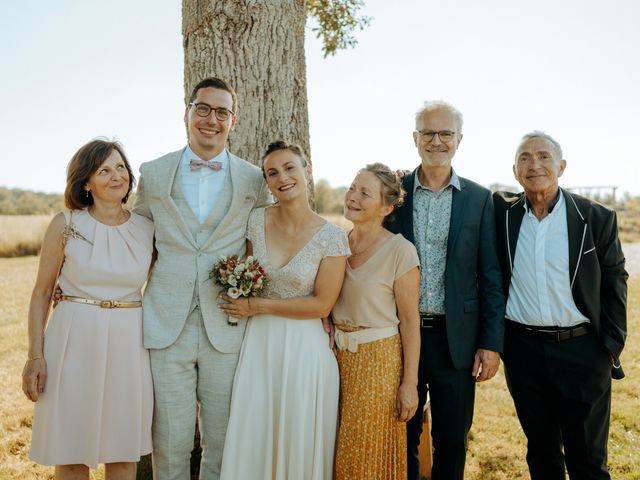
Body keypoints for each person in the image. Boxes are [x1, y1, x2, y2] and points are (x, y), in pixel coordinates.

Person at [133, 77, 271, 480]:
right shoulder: (153, 173)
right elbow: (133, 236)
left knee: (225, 437)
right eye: (203, 108)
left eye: (222, 112)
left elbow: (264, 239)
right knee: (170, 440)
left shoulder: (252, 179)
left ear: (234, 119)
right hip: (165, 322)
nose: (212, 119)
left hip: (227, 324)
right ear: (188, 112)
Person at [493, 131, 628, 480]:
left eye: (543, 156)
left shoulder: (595, 217)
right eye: (524, 157)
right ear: (514, 169)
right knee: (541, 454)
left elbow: (615, 279)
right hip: (523, 353)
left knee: (588, 461)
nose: (533, 164)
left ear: (561, 166)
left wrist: (611, 344)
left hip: (582, 351)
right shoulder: (501, 214)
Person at [217, 141, 350, 480]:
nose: (283, 177)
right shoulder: (256, 220)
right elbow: (248, 273)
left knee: (298, 434)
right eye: (272, 173)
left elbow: (322, 303)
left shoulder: (332, 237)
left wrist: (258, 305)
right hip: (260, 345)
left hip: (306, 349)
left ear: (307, 171)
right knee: (255, 429)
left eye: (290, 167)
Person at [22, 139, 154, 479]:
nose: (116, 176)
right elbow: (42, 292)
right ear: (86, 182)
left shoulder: (147, 228)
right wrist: (35, 355)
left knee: (123, 452)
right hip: (73, 341)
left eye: (121, 167)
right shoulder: (66, 224)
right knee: (71, 450)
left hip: (129, 343)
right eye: (104, 170)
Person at [388, 100, 505, 480]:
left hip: (456, 340)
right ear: (414, 138)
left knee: (452, 439)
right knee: (401, 431)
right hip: (398, 336)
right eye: (428, 133)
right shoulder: (394, 193)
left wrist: (490, 342)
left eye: (445, 134)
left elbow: (490, 275)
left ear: (459, 140)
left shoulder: (479, 198)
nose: (436, 141)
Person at [331, 163, 421, 480]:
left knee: (364, 455)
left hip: (377, 365)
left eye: (364, 193)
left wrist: (409, 385)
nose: (353, 197)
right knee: (333, 449)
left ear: (386, 207)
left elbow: (410, 323)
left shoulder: (401, 252)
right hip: (333, 362)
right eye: (353, 188)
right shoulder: (335, 244)